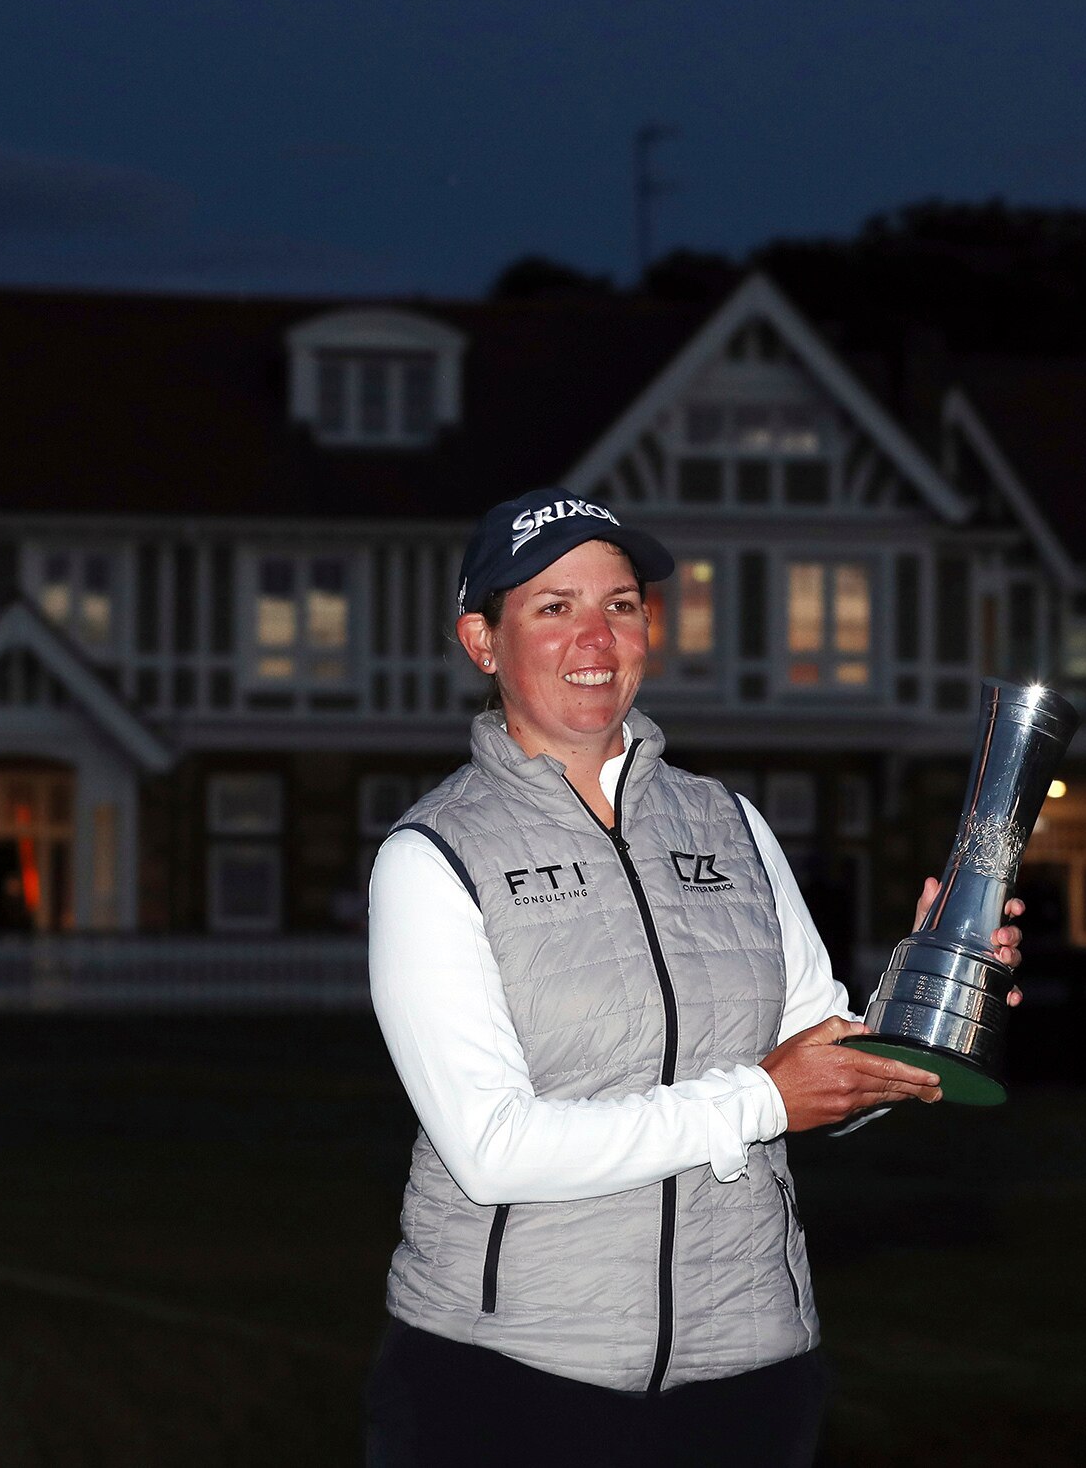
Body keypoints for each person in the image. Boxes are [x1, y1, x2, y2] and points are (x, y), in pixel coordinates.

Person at [362, 488, 1025, 1468]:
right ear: (482, 639)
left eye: (621, 603)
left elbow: (819, 1063)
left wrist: (930, 992)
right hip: (506, 1381)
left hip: (747, 1380)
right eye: (554, 605)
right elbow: (494, 1147)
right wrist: (761, 1097)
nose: (596, 633)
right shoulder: (432, 854)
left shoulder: (731, 824)